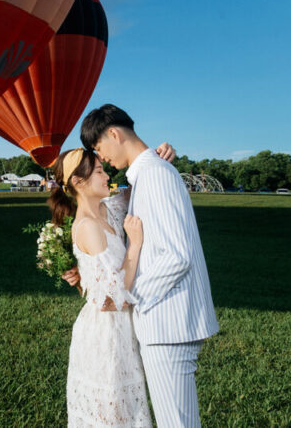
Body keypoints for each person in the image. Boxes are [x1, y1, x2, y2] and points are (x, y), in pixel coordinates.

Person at [80, 104, 219, 428]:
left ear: (114, 134)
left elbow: (176, 256)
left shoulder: (154, 174)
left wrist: (131, 296)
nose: (105, 162)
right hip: (166, 321)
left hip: (167, 323)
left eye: (101, 149)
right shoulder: (148, 174)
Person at [52, 148, 152, 426]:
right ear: (78, 182)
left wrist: (159, 154)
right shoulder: (87, 227)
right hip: (105, 336)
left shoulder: (108, 208)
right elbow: (109, 300)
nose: (107, 175)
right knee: (112, 416)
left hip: (121, 330)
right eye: (98, 171)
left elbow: (136, 188)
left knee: (128, 413)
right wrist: (135, 245)